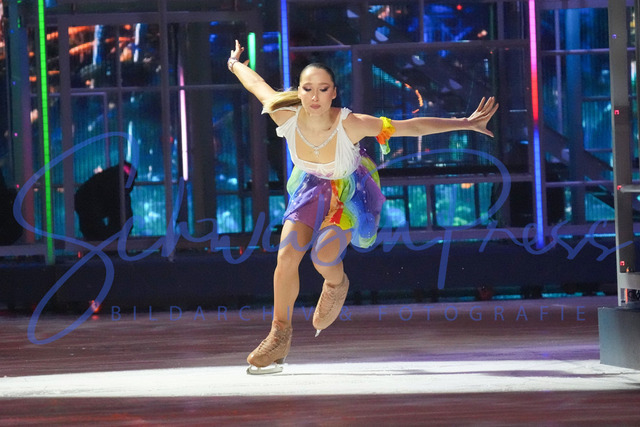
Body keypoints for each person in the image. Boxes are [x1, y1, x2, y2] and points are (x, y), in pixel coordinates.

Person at [228, 40, 498, 374]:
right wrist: (234, 64)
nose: (315, 97)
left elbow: (410, 127)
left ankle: (336, 284)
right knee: (286, 257)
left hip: (348, 190)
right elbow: (256, 84)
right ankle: (278, 335)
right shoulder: (284, 114)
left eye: (322, 89)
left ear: (333, 93)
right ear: (299, 91)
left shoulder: (351, 123)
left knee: (322, 257)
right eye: (308, 89)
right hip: (310, 187)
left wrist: (465, 123)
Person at [74, 163, 136, 241]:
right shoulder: (116, 184)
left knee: (93, 232)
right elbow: (123, 212)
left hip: (84, 202)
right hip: (86, 203)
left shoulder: (109, 178)